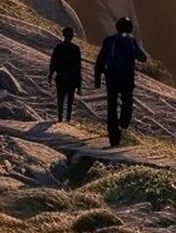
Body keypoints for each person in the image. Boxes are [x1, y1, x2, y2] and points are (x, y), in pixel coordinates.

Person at [93, 17, 147, 147]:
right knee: (127, 99)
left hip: (111, 77)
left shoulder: (109, 40)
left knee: (111, 105)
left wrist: (97, 78)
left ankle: (114, 137)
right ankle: (123, 123)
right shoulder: (130, 41)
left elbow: (100, 60)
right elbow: (142, 58)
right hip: (127, 77)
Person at [48, 26, 82, 121]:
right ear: (71, 36)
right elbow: (78, 67)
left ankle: (60, 118)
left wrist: (50, 74)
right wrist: (79, 85)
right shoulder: (75, 49)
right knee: (70, 100)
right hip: (71, 79)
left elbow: (53, 62)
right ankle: (68, 119)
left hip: (61, 78)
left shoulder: (59, 47)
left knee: (61, 98)